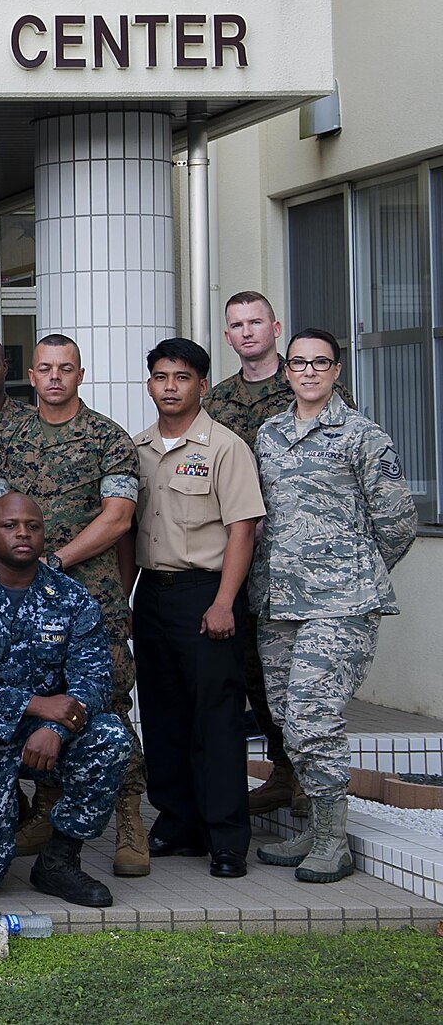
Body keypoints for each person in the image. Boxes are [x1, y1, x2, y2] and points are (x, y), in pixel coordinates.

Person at [252, 329, 416, 883]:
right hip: (279, 602)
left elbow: (398, 524)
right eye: (299, 362)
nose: (309, 371)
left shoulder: (363, 436)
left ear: (337, 370)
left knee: (313, 715)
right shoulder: (269, 434)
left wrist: (353, 574)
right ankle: (316, 824)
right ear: (287, 370)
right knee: (286, 719)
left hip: (341, 603)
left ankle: (332, 839)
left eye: (320, 362)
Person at [0, 334, 147, 878]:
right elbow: (2, 511)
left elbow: (118, 517)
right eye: (45, 369)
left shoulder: (108, 437)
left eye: (66, 369)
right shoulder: (10, 435)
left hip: (91, 594)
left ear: (80, 374)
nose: (55, 377)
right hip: (18, 597)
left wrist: (55, 559)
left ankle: (128, 819)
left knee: (108, 704)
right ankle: (48, 811)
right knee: (40, 696)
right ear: (30, 376)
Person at [0, 494, 131, 905]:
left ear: (43, 534)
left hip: (44, 740)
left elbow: (93, 680)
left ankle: (59, 861)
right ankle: (5, 813)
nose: (23, 533)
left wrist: (55, 727)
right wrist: (35, 706)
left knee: (110, 737)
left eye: (33, 526)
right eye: (10, 525)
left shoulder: (71, 599)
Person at [202, 290, 349, 817]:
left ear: (275, 327)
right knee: (255, 670)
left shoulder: (312, 391)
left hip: (304, 563)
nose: (247, 332)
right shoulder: (215, 401)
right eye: (236, 324)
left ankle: (309, 779)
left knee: (308, 679)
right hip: (240, 560)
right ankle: (286, 770)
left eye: (256, 322)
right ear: (227, 336)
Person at [131, 338, 264, 878]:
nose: (170, 387)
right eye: (161, 377)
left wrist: (225, 601)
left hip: (206, 592)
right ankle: (178, 821)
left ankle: (226, 837)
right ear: (149, 384)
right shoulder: (136, 448)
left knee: (216, 716)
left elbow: (243, 530)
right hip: (153, 593)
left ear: (202, 385)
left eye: (182, 378)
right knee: (163, 713)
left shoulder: (225, 447)